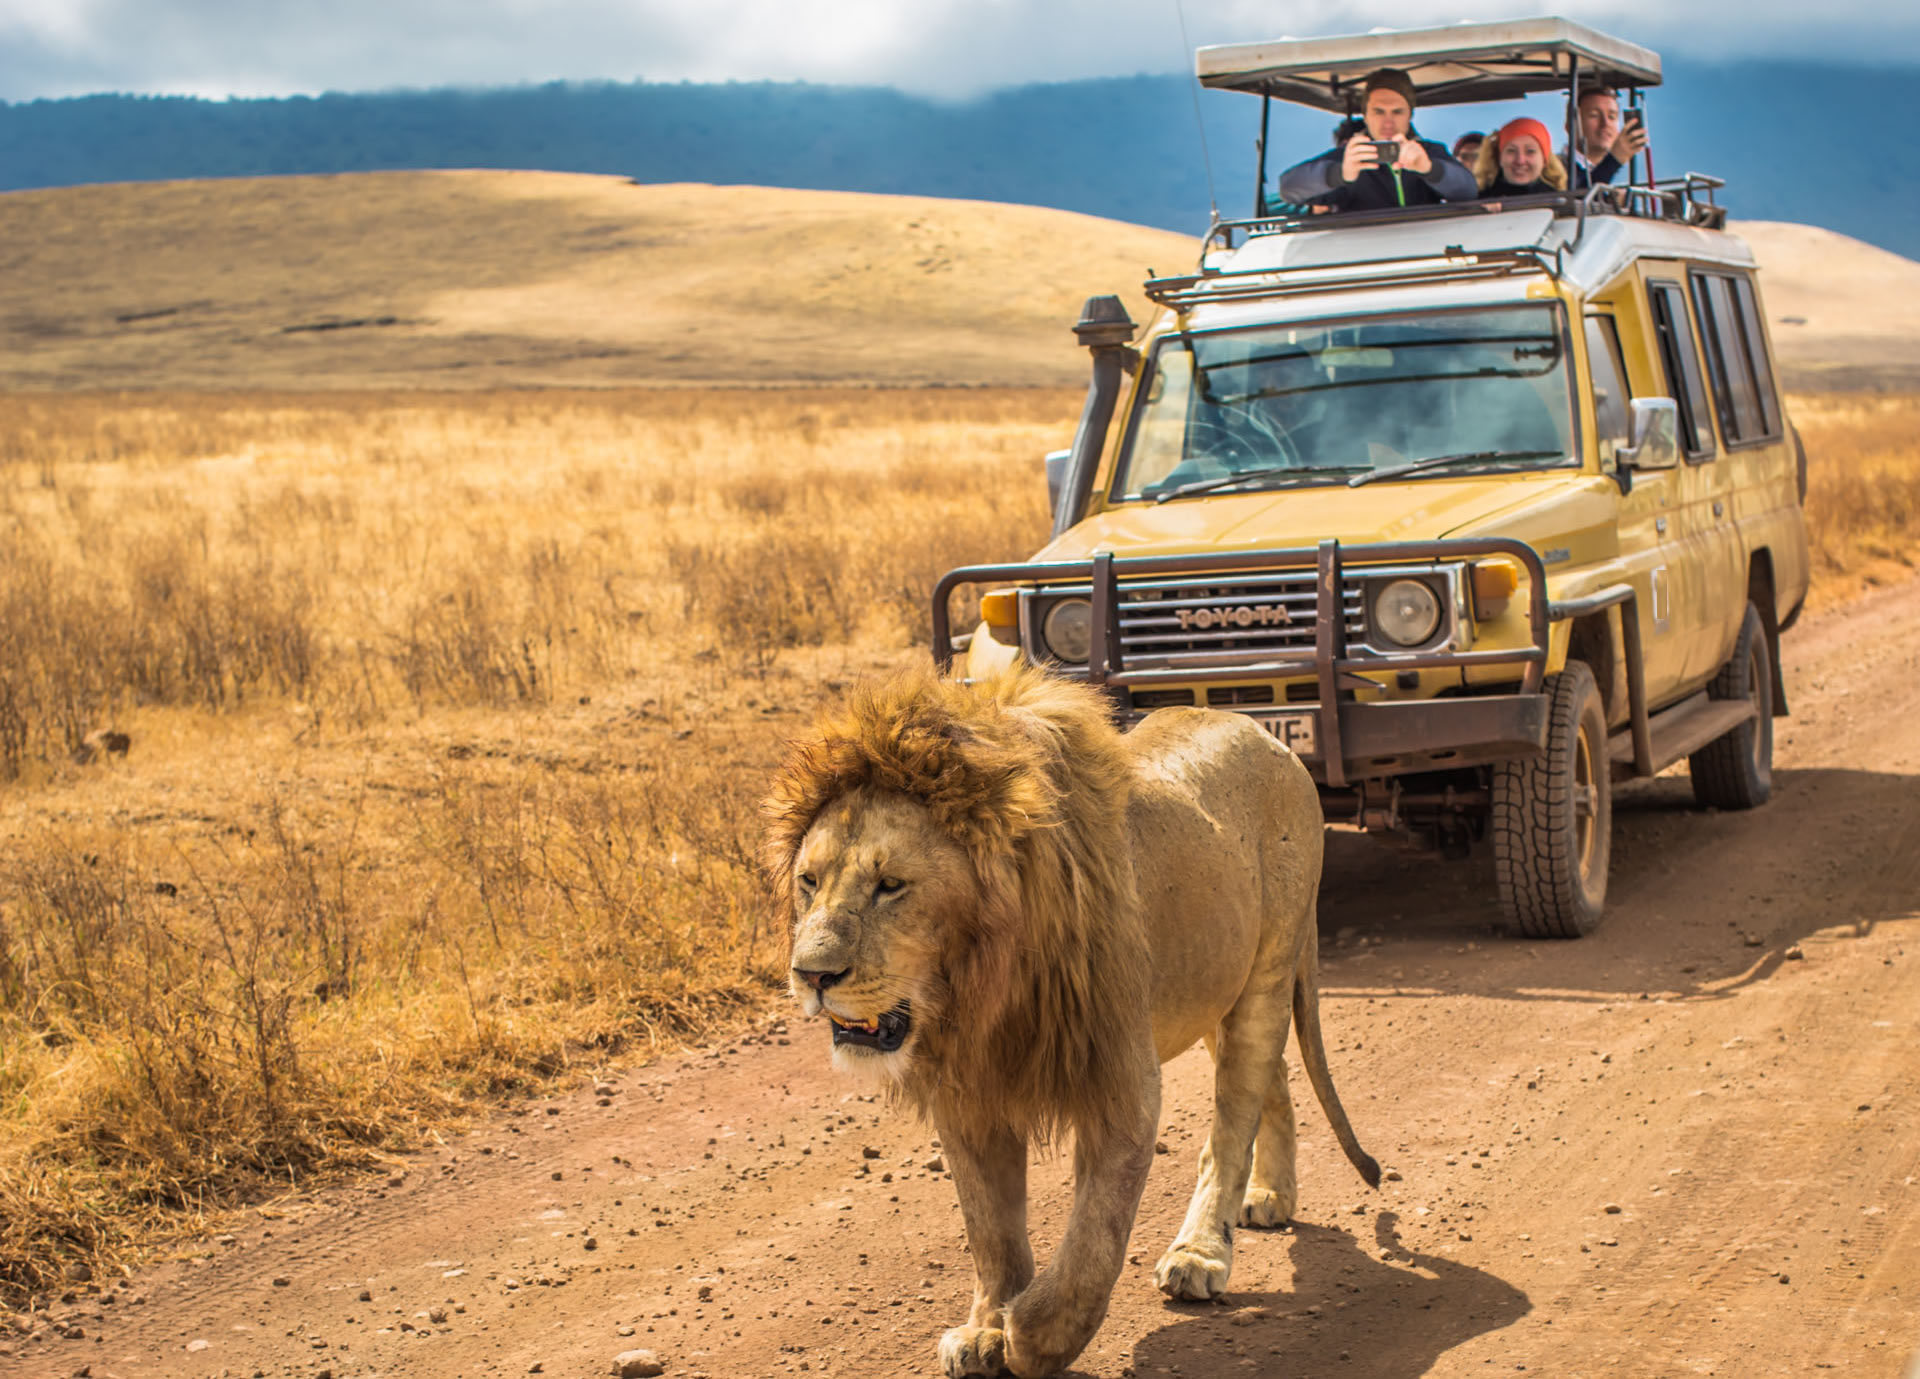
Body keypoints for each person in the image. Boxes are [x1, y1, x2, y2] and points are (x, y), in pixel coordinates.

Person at [1277, 68, 1477, 212]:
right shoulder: (1349, 158)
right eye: (1378, 112)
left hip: (1425, 259)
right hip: (1366, 263)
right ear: (1365, 115)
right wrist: (1340, 174)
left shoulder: (1428, 152)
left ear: (1410, 115)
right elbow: (1289, 188)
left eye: (1397, 112)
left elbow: (1468, 191)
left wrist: (1429, 169)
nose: (1388, 122)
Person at [1567, 85, 1650, 189]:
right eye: (1594, 115)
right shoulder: (1554, 171)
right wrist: (1614, 160)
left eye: (1612, 117)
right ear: (1570, 125)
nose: (1605, 124)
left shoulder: (1628, 174)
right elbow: (1575, 200)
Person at [1473, 117, 1568, 198]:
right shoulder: (1478, 201)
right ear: (1499, 157)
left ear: (1544, 160)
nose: (1520, 160)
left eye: (1530, 151)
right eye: (1511, 151)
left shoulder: (1559, 202)